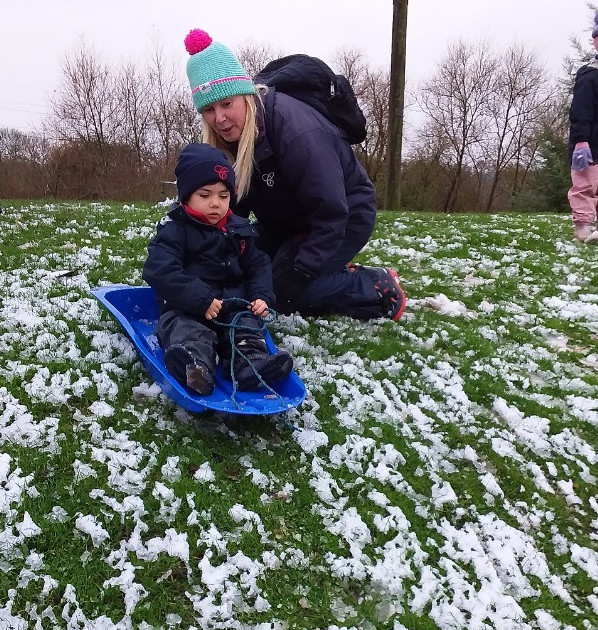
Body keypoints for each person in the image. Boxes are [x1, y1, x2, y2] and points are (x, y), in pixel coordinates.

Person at [182, 28, 406, 321]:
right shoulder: (229, 138)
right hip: (288, 221)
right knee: (243, 272)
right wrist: (195, 248)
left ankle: (375, 287)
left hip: (343, 217)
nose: (220, 118)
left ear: (245, 95)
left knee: (282, 293)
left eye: (227, 104)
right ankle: (322, 269)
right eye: (209, 110)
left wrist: (301, 272)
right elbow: (232, 205)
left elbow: (331, 212)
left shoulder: (295, 130)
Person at [142, 143, 293, 395]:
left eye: (223, 196)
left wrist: (261, 296)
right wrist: (199, 299)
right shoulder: (176, 230)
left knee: (246, 329)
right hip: (187, 308)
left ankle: (250, 366)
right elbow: (159, 269)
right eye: (205, 195)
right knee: (188, 331)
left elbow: (258, 265)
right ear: (187, 196)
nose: (216, 204)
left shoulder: (239, 230)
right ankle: (195, 367)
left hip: (232, 308)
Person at [568, 9, 598, 243]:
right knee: (585, 188)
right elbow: (580, 113)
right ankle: (583, 228)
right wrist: (581, 142)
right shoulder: (591, 77)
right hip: (589, 147)